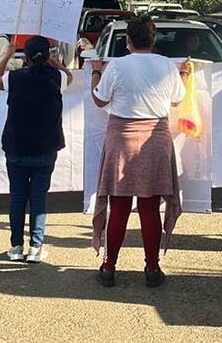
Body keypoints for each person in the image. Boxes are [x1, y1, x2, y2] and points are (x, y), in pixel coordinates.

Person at [90, 16, 189, 289]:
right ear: (153, 40)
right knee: (149, 206)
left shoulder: (117, 66)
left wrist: (96, 73)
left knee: (119, 206)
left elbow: (99, 99)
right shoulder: (166, 66)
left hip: (121, 139)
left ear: (128, 41)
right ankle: (152, 268)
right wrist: (184, 75)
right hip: (156, 140)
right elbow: (178, 99)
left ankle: (109, 267)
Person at [0, 35, 68, 264]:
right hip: (46, 147)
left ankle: (16, 246)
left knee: (17, 197)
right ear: (47, 56)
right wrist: (53, 61)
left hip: (17, 146)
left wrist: (7, 55)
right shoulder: (57, 78)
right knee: (38, 198)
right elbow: (69, 75)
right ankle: (35, 247)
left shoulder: (14, 78)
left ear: (25, 57)